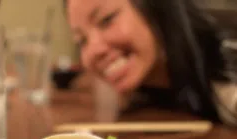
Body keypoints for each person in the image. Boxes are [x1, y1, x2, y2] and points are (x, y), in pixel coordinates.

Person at [64, 0, 237, 125]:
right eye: (81, 40)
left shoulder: (226, 74)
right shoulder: (154, 89)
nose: (93, 51)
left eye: (107, 19)